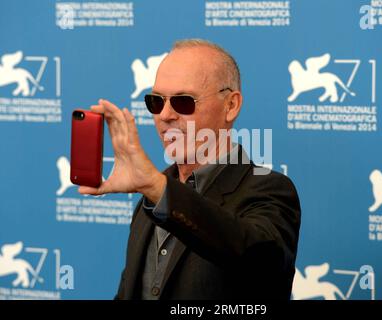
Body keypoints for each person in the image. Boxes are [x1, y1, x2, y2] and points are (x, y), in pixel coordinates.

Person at [79, 39, 301, 300]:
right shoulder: (152, 195)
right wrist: (155, 188)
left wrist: (155, 188)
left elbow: (258, 260)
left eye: (184, 102)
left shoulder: (269, 189)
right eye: (156, 101)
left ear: (231, 106)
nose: (165, 115)